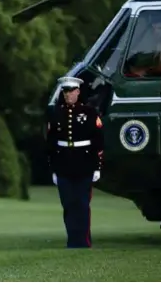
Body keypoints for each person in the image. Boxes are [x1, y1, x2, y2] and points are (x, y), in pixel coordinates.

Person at [46, 76, 104, 248]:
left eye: (71, 91)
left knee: (82, 204)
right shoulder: (56, 113)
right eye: (65, 91)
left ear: (78, 91)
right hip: (64, 163)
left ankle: (83, 240)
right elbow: (51, 143)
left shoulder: (89, 112)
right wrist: (53, 169)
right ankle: (72, 240)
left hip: (84, 162)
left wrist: (97, 166)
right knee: (68, 204)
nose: (68, 95)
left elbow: (98, 140)